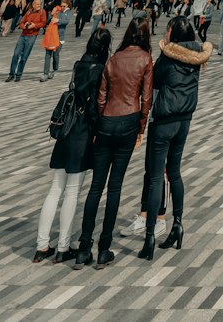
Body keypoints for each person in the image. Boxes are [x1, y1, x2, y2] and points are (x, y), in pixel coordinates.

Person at [74, 17, 153, 270]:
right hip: (129, 122)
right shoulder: (145, 59)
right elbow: (146, 99)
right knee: (115, 187)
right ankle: (104, 249)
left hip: (106, 121)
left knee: (96, 186)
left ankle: (83, 248)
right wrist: (141, 128)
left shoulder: (114, 58)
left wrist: (99, 124)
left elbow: (101, 97)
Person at [33, 27, 111, 264]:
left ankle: (41, 245)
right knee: (72, 191)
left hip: (65, 130)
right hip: (82, 133)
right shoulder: (100, 70)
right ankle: (64, 246)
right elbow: (94, 106)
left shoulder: (79, 65)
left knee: (55, 188)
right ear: (106, 48)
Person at [137, 19, 212, 260]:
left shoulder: (168, 58)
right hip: (185, 121)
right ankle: (177, 224)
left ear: (174, 34)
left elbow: (154, 82)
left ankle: (150, 236)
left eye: (168, 30)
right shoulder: (198, 57)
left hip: (164, 122)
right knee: (175, 173)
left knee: (157, 176)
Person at [8, 0, 47, 82]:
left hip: (32, 36)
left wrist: (34, 25)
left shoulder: (42, 12)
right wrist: (24, 26)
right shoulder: (29, 12)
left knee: (24, 56)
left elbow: (43, 23)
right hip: (23, 35)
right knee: (16, 54)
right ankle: (11, 74)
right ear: (33, 5)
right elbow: (21, 22)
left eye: (39, 4)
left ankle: (18, 74)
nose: (38, 6)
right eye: (37, 4)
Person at [40, 6, 63, 81]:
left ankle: (55, 69)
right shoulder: (53, 14)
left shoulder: (63, 13)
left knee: (56, 55)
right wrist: (51, 14)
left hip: (59, 38)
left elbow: (66, 21)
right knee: (47, 55)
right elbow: (47, 22)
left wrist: (58, 20)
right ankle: (45, 73)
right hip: (50, 37)